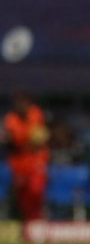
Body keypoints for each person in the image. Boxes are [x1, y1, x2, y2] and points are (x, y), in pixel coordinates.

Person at [3, 92, 49, 221]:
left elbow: (40, 137)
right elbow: (11, 143)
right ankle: (22, 220)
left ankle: (37, 218)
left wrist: (34, 141)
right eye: (18, 103)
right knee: (21, 193)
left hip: (35, 159)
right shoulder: (11, 118)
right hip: (18, 161)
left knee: (35, 190)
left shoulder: (36, 113)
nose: (21, 106)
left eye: (23, 102)